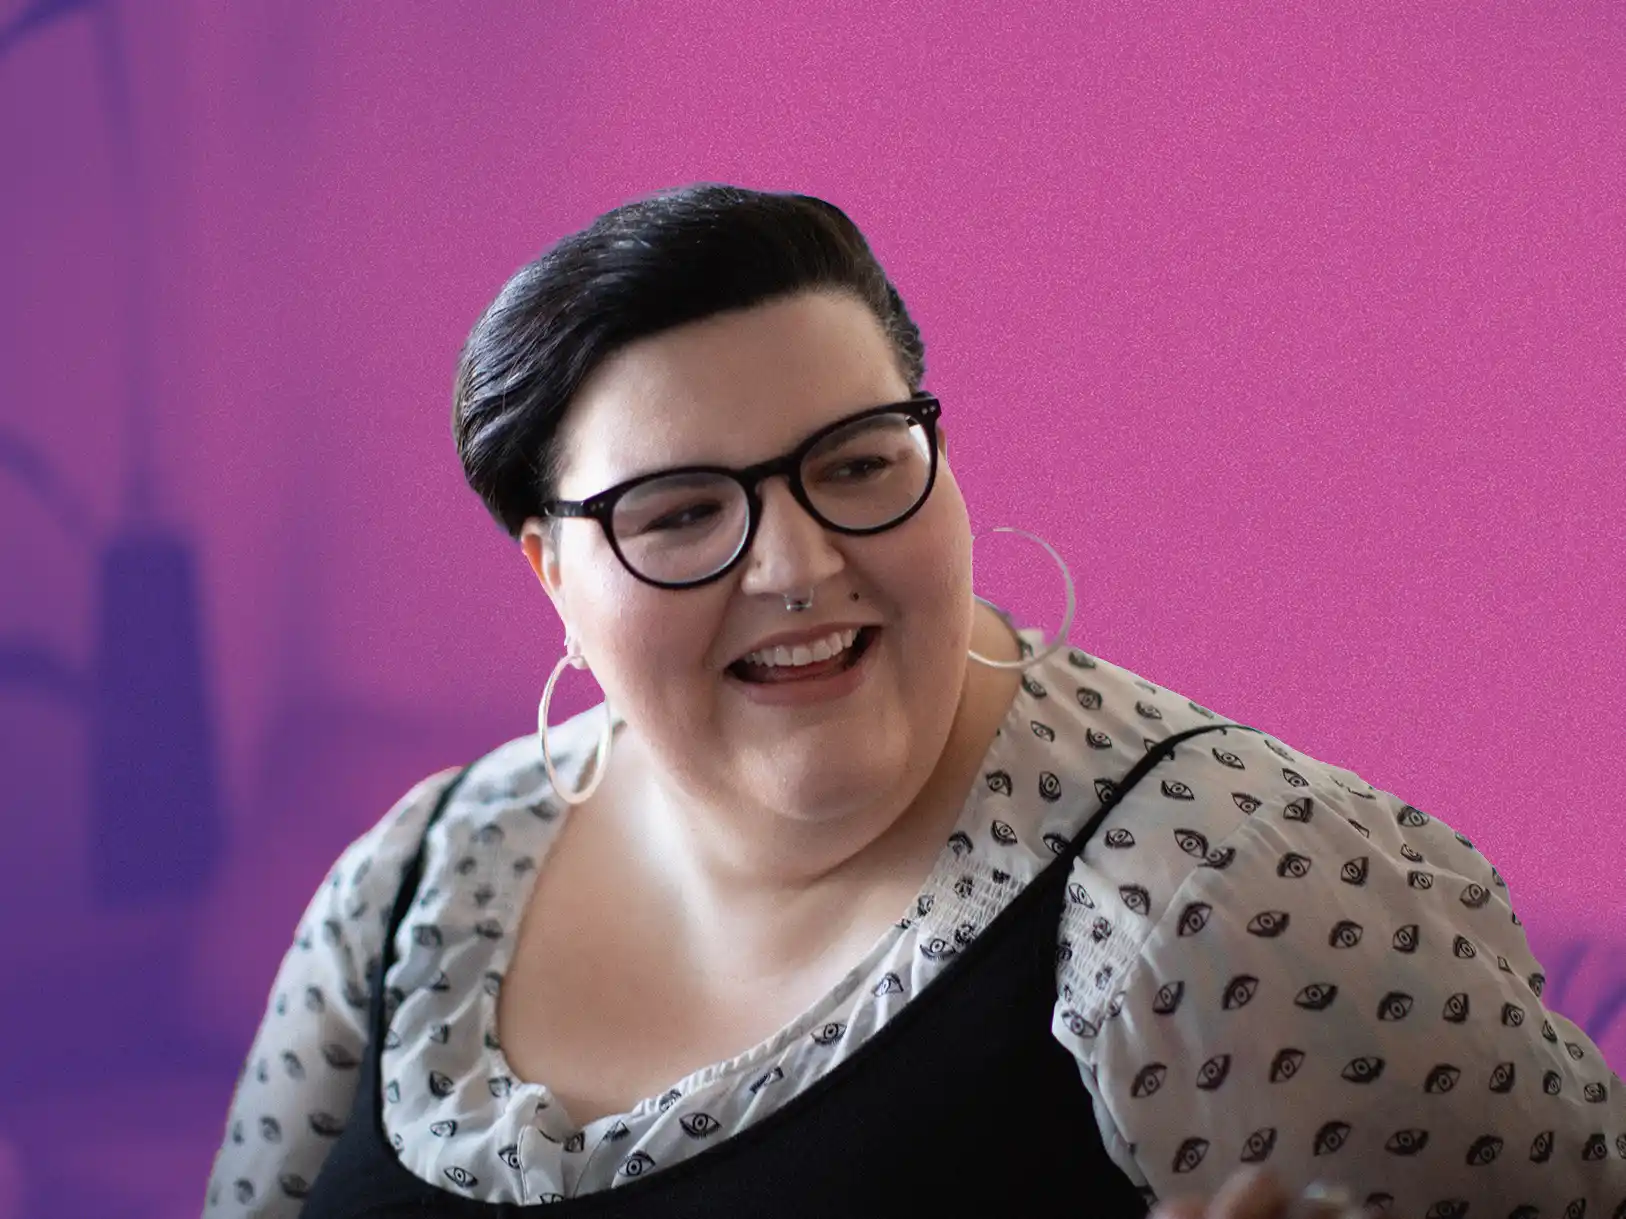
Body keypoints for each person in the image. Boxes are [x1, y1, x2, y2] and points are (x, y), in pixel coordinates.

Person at [202, 184, 1625, 1218]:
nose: (799, 562)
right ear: (552, 575)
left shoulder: (1222, 891)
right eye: (681, 510)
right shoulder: (413, 883)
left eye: (858, 460)